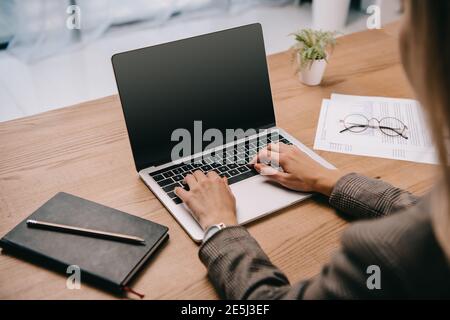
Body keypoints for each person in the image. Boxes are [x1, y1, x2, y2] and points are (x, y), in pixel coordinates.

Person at [174, 0, 450, 299]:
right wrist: (330, 180)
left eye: (407, 13)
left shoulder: (386, 255)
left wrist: (220, 225)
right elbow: (423, 210)